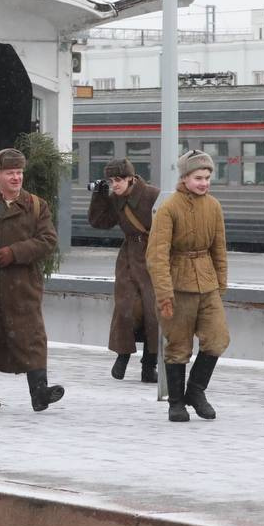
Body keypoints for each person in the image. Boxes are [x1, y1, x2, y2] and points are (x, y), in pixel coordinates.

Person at [146, 150, 230, 423]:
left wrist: (221, 283)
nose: (203, 183)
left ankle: (196, 391)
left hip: (207, 284)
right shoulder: (169, 208)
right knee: (178, 346)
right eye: (198, 178)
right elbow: (157, 255)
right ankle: (176, 402)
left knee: (217, 339)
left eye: (207, 177)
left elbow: (219, 248)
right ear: (184, 178)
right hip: (178, 284)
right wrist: (164, 293)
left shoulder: (213, 206)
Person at [0, 148, 65, 411]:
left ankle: (39, 392)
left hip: (24, 282)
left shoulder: (37, 205)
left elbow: (48, 240)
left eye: (19, 172)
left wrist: (14, 252)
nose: (16, 178)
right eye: (10, 173)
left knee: (33, 337)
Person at [88, 158, 160, 383]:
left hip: (153, 255)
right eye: (111, 181)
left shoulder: (152, 195)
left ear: (131, 178)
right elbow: (99, 222)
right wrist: (99, 195)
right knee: (126, 308)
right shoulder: (115, 198)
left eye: (118, 180)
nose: (114, 185)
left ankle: (149, 365)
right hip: (129, 256)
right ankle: (123, 355)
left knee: (154, 312)